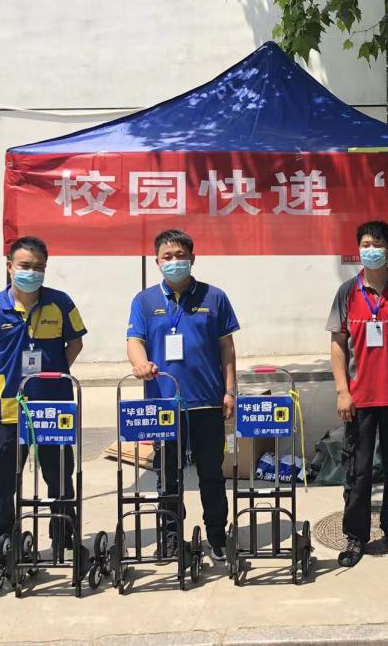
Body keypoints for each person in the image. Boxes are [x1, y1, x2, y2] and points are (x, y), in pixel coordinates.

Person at [0, 236, 87, 555]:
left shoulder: (61, 303)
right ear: (10, 267)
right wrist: (8, 376)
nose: (31, 272)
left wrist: (54, 373)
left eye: (38, 267)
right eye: (24, 265)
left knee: (59, 476)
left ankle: (63, 535)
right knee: (1, 479)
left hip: (53, 408)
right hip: (7, 408)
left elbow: (75, 343)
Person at [126, 229, 239, 562]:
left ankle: (217, 535)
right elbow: (134, 340)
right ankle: (171, 537)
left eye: (180, 255)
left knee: (211, 473)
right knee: (168, 475)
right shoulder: (144, 301)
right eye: (167, 257)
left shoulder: (214, 297)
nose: (174, 261)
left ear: (192, 258)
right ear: (157, 262)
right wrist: (139, 363)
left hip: (207, 400)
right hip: (164, 405)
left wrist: (229, 390)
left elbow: (227, 347)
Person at [327, 220, 388, 567]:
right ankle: (355, 537)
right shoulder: (347, 293)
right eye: (366, 244)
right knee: (359, 471)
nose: (371, 250)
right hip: (360, 399)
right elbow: (338, 345)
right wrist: (342, 391)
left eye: (378, 244)